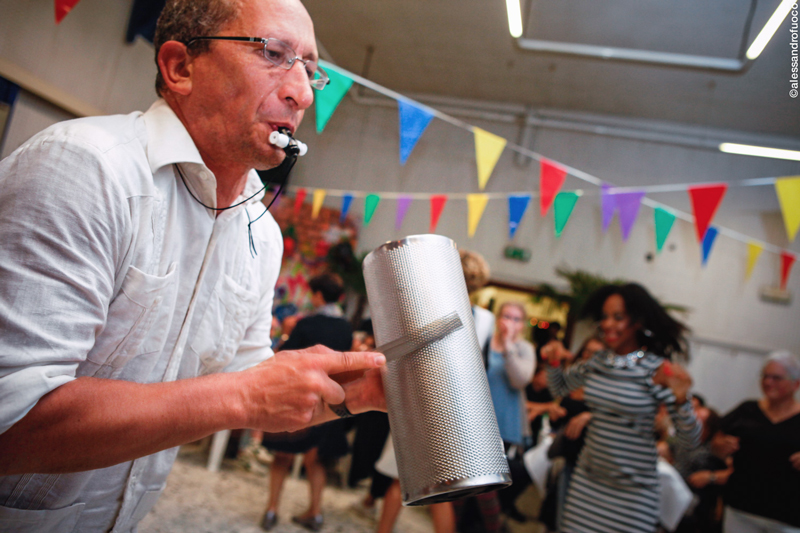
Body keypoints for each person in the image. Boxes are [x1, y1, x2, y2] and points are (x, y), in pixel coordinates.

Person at [0, 1, 386, 531]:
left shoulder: (261, 232)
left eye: (309, 70)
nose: (301, 93)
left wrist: (354, 394)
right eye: (273, 54)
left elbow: (247, 382)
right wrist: (244, 394)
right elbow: (11, 419)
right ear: (180, 67)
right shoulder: (87, 170)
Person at [543, 283, 700, 533]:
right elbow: (559, 388)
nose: (608, 324)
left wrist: (682, 402)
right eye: (604, 317)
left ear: (637, 321)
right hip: (587, 483)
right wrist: (552, 363)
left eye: (618, 317)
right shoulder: (597, 362)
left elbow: (689, 441)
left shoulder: (656, 370)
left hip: (633, 494)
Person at [260, 273, 353, 531]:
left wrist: (285, 335)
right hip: (328, 399)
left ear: (319, 295)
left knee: (282, 456)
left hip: (299, 396)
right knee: (316, 460)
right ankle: (315, 512)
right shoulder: (345, 328)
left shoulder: (306, 324)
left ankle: (271, 510)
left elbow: (286, 358)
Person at [712, 351, 800, 533]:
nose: (768, 382)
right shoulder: (747, 409)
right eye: (765, 376)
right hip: (742, 510)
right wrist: (720, 445)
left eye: (776, 378)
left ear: (796, 384)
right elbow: (716, 441)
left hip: (788, 516)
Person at [485, 302, 536, 522]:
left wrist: (508, 345)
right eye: (506, 316)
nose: (510, 323)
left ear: (522, 325)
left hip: (504, 423)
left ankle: (487, 524)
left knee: (491, 480)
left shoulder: (525, 348)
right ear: (498, 319)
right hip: (480, 419)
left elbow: (520, 380)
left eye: (516, 319)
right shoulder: (485, 342)